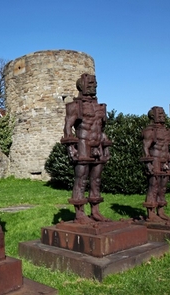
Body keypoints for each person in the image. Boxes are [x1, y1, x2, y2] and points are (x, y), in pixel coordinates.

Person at [61, 73, 112, 224]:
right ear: (81, 85)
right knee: (81, 178)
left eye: (94, 84)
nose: (93, 87)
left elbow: (102, 130)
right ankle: (79, 213)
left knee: (96, 179)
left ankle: (95, 211)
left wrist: (106, 147)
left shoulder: (100, 107)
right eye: (89, 84)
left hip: (98, 144)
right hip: (83, 143)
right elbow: (68, 127)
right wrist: (71, 148)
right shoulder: (75, 106)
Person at [140, 106, 170, 221]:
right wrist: (148, 163)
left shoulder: (165, 131)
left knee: (162, 187)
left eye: (163, 114)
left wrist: (169, 161)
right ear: (153, 116)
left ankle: (161, 210)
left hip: (164, 160)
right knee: (153, 186)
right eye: (160, 114)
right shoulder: (150, 131)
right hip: (154, 160)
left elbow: (167, 148)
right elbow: (145, 147)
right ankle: (151, 212)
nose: (162, 116)